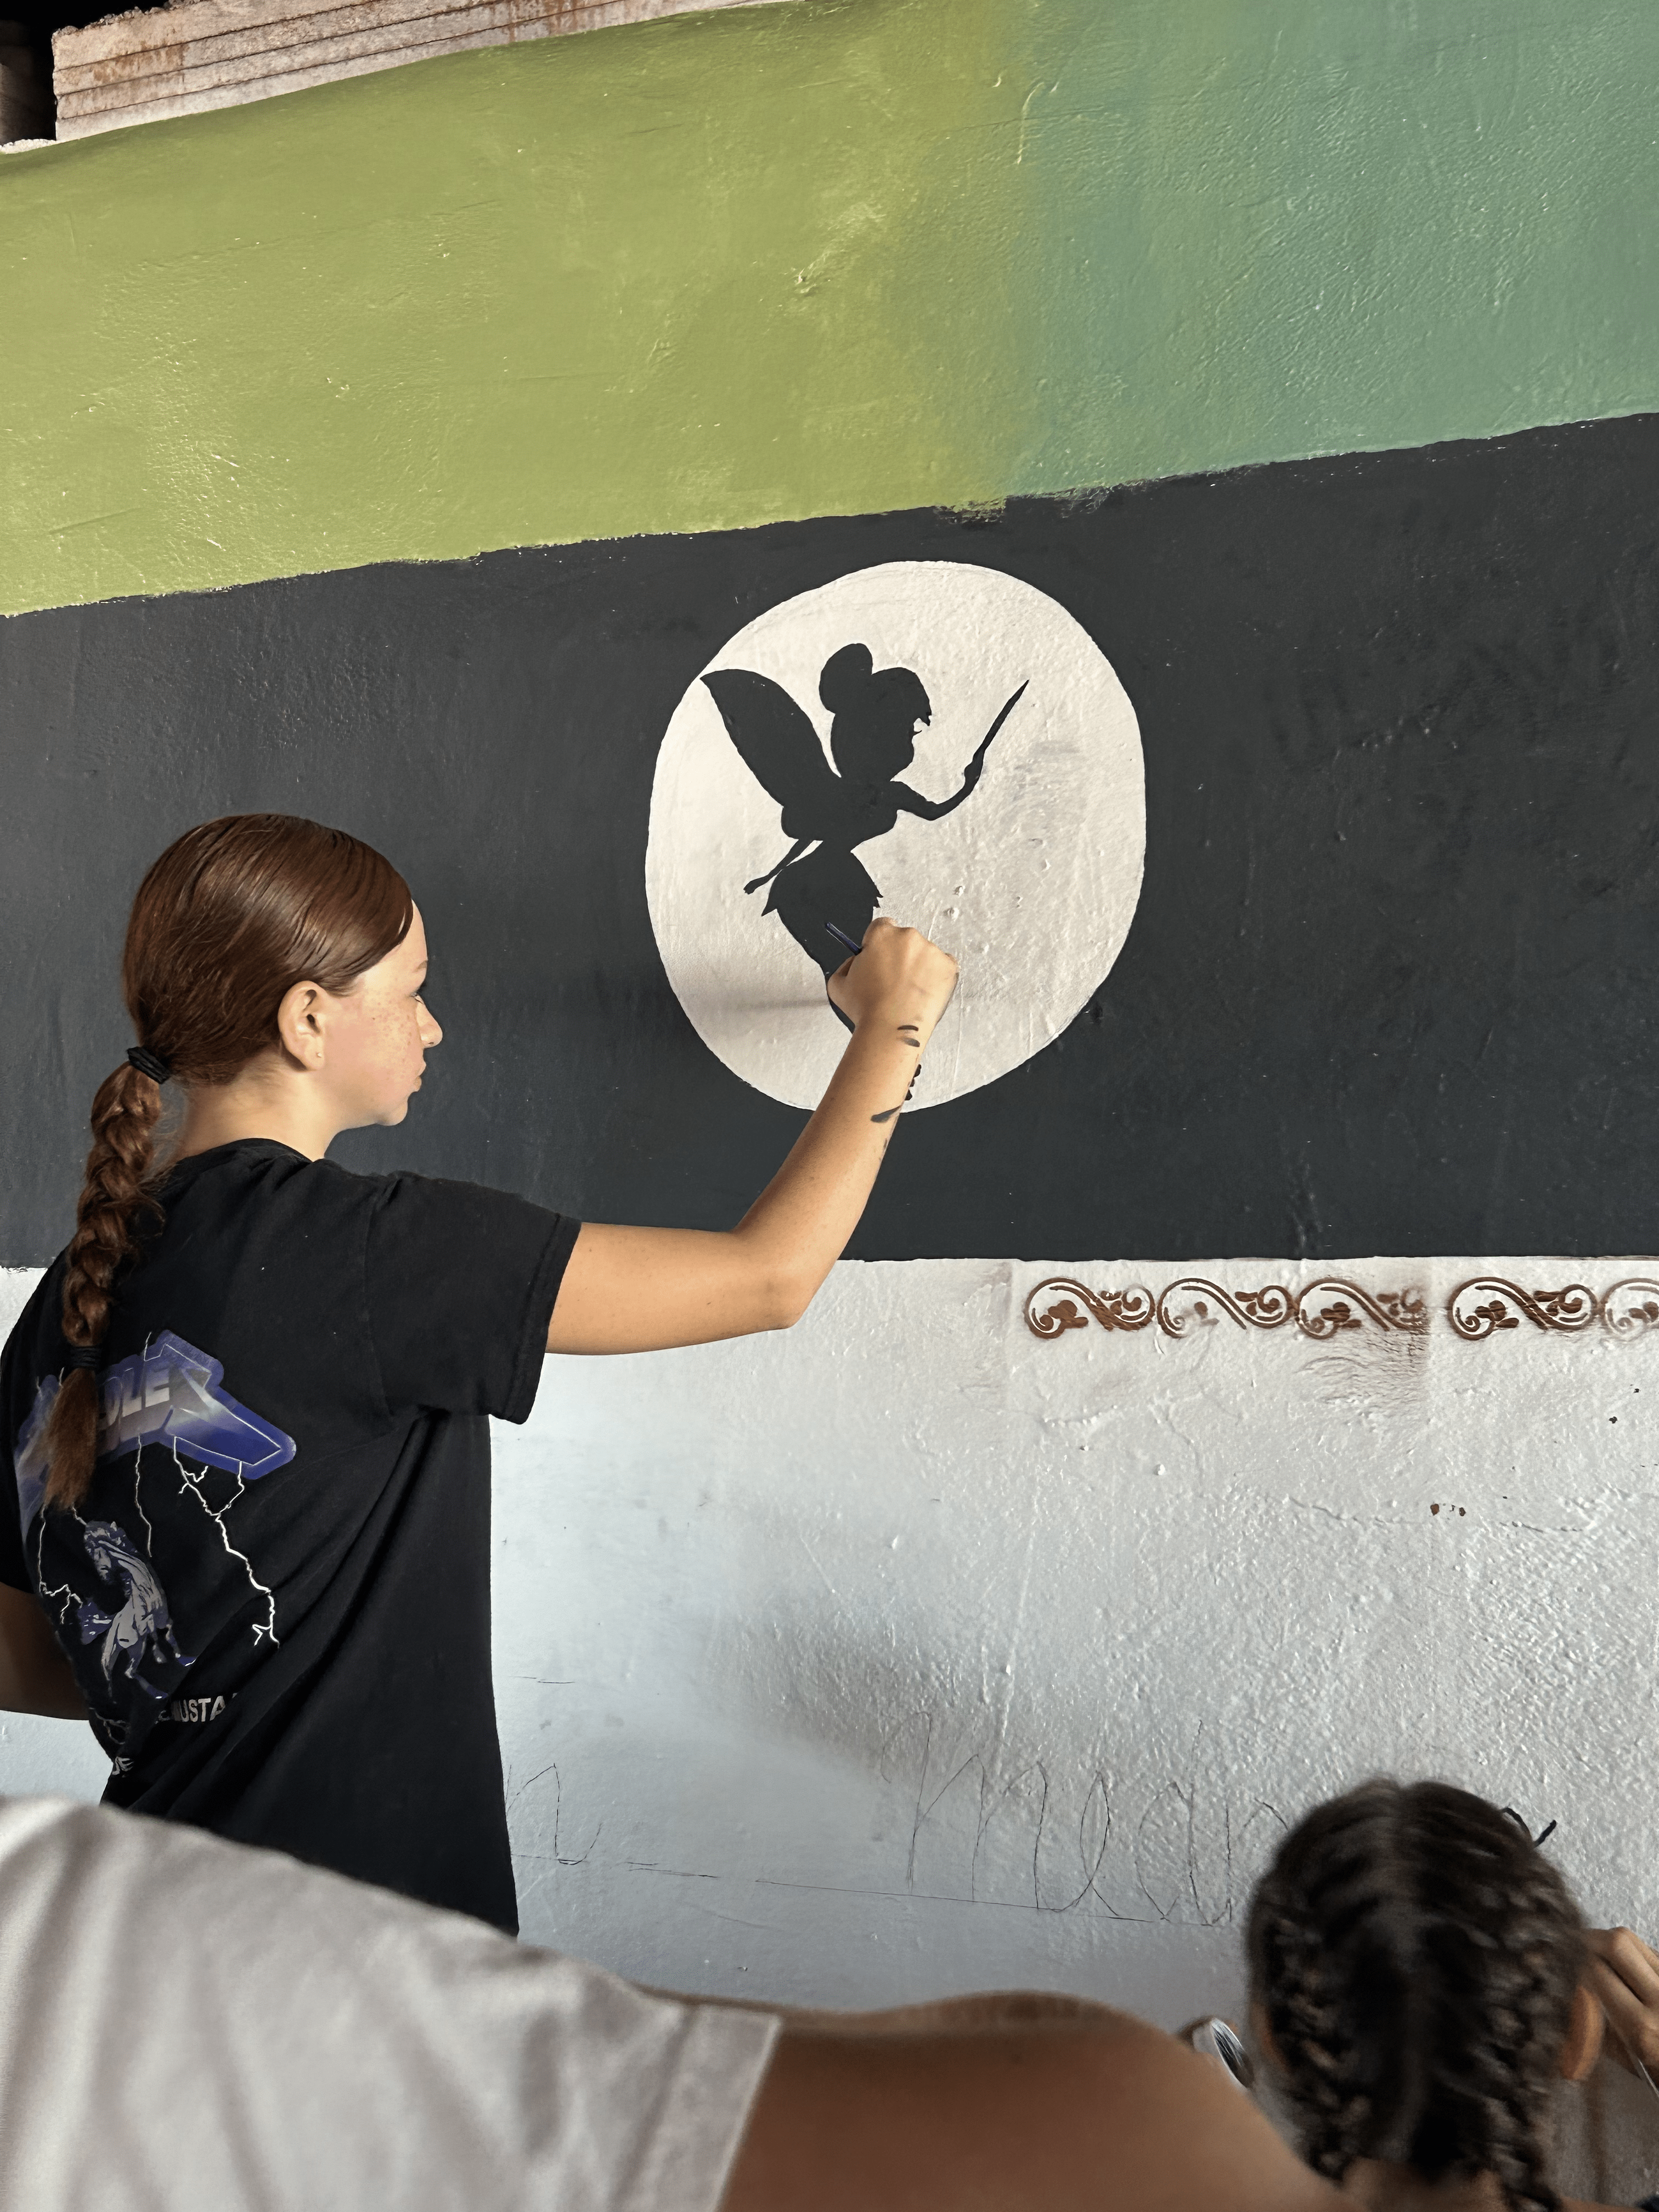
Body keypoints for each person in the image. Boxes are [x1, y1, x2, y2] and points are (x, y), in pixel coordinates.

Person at [0, 812, 958, 1932]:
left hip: (151, 1928)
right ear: (309, 1018)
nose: (433, 1026)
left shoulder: (82, 1281)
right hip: (367, 1954)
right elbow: (768, 1279)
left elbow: (21, 1656)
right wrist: (895, 1023)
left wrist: (202, 1687)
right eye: (410, 990)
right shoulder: (372, 1248)